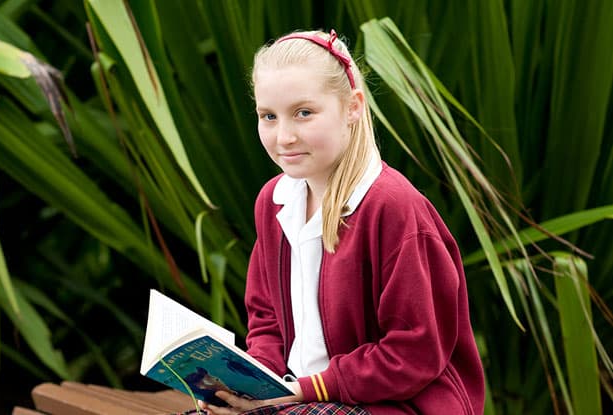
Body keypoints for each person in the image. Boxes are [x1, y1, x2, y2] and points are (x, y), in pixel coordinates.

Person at [197, 29, 485, 415]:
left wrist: (307, 389)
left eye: (304, 113)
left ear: (352, 107)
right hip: (301, 395)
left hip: (397, 403)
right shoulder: (274, 202)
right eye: (268, 116)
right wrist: (252, 385)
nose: (283, 137)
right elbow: (266, 319)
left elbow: (415, 352)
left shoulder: (393, 207)